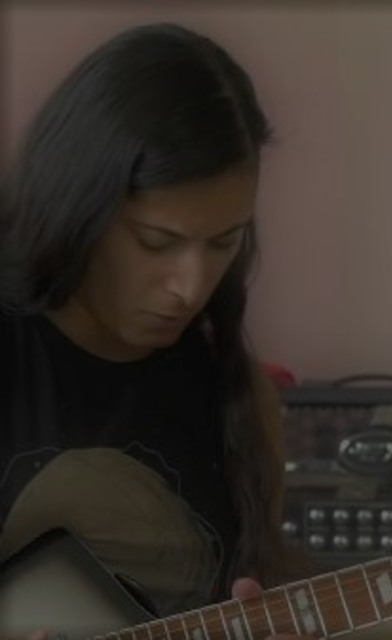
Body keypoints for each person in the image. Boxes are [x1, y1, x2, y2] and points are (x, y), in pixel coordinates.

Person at [0, 22, 310, 640]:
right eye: (156, 241)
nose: (190, 287)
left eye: (223, 242)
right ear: (78, 209)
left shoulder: (244, 401)